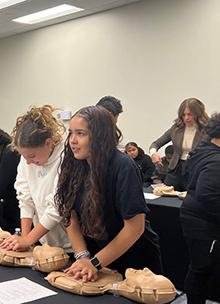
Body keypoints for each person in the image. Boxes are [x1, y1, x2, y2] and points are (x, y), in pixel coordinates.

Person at [56, 106, 162, 282]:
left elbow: (135, 227)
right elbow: (71, 215)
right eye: (71, 133)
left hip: (135, 261)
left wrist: (95, 263)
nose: (72, 140)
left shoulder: (123, 166)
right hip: (100, 259)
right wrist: (83, 257)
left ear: (99, 136)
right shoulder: (75, 165)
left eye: (80, 133)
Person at [0, 105, 71, 253]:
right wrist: (25, 240)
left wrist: (28, 240)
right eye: (23, 156)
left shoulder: (67, 156)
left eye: (31, 156)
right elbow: (25, 197)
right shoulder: (27, 157)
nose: (27, 162)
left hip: (70, 244)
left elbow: (58, 205)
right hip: (43, 240)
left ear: (48, 143)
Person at [180, 112, 220, 304]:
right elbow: (207, 194)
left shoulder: (203, 151)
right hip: (203, 222)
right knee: (201, 269)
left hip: (195, 217)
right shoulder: (217, 161)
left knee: (200, 268)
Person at [149, 98, 209, 191]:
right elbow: (155, 144)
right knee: (167, 197)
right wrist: (153, 154)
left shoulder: (206, 129)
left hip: (196, 170)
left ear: (198, 113)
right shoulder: (176, 129)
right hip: (176, 169)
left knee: (191, 199)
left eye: (190, 114)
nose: (186, 118)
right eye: (183, 115)